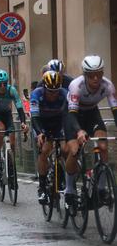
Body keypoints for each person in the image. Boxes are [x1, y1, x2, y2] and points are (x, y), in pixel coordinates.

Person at [64, 55, 117, 210]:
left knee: (103, 145)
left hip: (92, 113)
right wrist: (79, 131)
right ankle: (69, 190)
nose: (96, 78)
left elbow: (115, 111)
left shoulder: (108, 85)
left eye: (99, 74)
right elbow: (72, 113)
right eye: (91, 75)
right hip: (72, 115)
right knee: (74, 149)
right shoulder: (76, 86)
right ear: (85, 75)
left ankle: (101, 189)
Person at [30, 71, 69, 205]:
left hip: (59, 124)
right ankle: (41, 186)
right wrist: (40, 133)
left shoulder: (64, 94)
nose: (53, 95)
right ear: (45, 88)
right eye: (50, 92)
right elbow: (34, 117)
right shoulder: (37, 94)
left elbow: (70, 115)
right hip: (42, 124)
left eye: (56, 91)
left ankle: (63, 176)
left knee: (65, 149)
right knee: (45, 150)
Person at [0, 69, 29, 179]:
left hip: (7, 114)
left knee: (12, 141)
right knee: (1, 129)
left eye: (5, 83)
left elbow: (19, 108)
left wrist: (23, 123)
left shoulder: (11, 90)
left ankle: (11, 166)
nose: (3, 86)